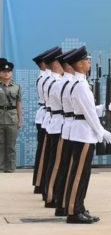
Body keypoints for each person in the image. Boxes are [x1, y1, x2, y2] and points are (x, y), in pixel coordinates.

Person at [59, 47, 111, 223]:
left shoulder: (79, 83)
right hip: (83, 133)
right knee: (78, 174)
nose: (89, 63)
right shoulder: (80, 85)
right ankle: (73, 212)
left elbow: (87, 109)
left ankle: (79, 207)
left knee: (82, 174)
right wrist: (101, 131)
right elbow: (88, 114)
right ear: (80, 64)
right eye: (87, 61)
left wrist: (103, 108)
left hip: (82, 130)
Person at [50, 53, 81, 216]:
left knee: (65, 166)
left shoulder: (66, 82)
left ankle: (62, 202)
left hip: (67, 125)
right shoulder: (66, 83)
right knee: (65, 167)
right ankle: (61, 203)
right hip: (67, 125)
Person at [40, 52, 70, 207]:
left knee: (55, 162)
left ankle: (52, 193)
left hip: (57, 122)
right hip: (58, 122)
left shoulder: (53, 80)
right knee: (56, 163)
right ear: (57, 64)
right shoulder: (56, 82)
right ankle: (51, 196)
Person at [32, 47, 59, 194]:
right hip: (47, 116)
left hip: (46, 115)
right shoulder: (48, 78)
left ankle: (41, 182)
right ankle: (41, 184)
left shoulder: (46, 77)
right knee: (45, 153)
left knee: (45, 152)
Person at [0, 58, 21, 173]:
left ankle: (11, 167)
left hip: (12, 118)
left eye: (8, 71)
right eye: (3, 71)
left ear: (11, 73)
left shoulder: (17, 87)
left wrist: (20, 119)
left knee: (11, 145)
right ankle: (1, 166)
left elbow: (19, 103)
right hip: (0, 118)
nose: (6, 73)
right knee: (0, 144)